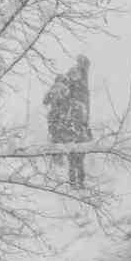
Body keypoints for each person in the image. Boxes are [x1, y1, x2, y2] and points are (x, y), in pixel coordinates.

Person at [43, 55, 92, 187]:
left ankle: (75, 182)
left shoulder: (73, 91)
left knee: (75, 159)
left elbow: (46, 102)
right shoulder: (70, 93)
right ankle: (77, 183)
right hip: (73, 129)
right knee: (76, 159)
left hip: (69, 129)